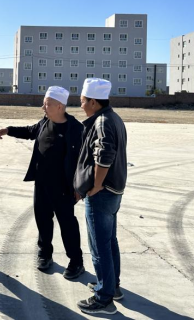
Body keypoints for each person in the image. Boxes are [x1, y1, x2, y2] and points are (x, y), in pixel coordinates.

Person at [0, 86, 85, 280]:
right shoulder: (45, 122)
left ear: (59, 106)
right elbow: (30, 131)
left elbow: (83, 161)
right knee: (43, 220)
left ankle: (76, 261)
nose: (43, 108)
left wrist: (80, 187)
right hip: (42, 183)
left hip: (64, 187)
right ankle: (45, 254)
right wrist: (9, 130)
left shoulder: (76, 129)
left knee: (67, 224)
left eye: (46, 104)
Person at [75, 78, 128, 316]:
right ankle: (112, 286)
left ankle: (104, 298)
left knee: (99, 246)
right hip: (114, 191)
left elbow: (105, 155)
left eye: (83, 101)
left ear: (94, 102)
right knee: (109, 242)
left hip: (103, 193)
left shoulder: (103, 121)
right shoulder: (114, 117)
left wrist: (96, 185)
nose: (81, 105)